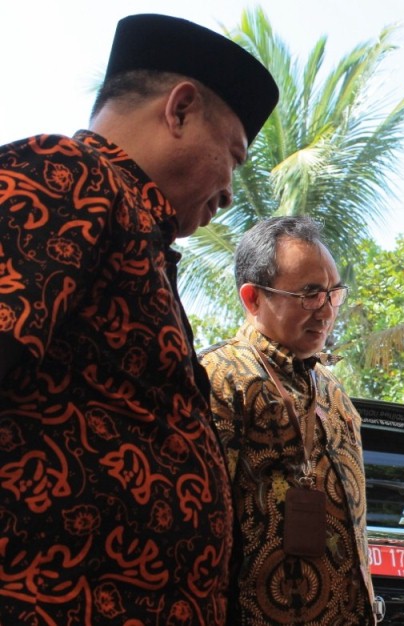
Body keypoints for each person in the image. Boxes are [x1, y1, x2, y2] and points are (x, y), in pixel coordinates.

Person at [0, 13, 278, 625]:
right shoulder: (66, 175)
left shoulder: (135, 228)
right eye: (233, 157)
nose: (230, 192)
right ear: (180, 110)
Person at [199, 216, 376, 625]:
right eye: (310, 294)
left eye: (333, 293)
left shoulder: (330, 387)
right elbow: (200, 530)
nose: (327, 310)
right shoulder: (220, 378)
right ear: (253, 298)